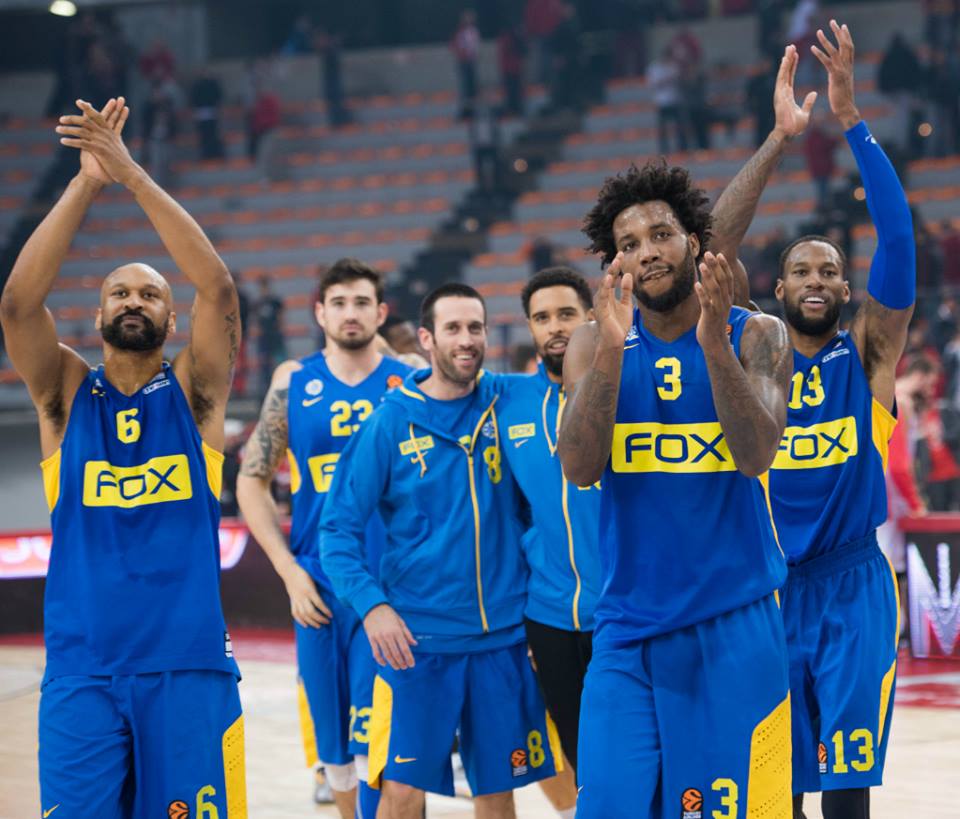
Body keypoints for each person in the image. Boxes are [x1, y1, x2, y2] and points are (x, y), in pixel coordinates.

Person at [1, 97, 246, 818]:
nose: (134, 299)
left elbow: (218, 287)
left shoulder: (197, 395)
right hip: (83, 668)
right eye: (119, 292)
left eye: (150, 293)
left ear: (171, 318)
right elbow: (17, 306)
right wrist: (87, 180)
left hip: (188, 664)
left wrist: (130, 173)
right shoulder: (64, 394)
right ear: (99, 314)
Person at [721, 23, 915, 819]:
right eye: (800, 268)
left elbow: (897, 239)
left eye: (829, 270)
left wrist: (853, 120)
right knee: (776, 790)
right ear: (777, 286)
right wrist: (778, 140)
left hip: (852, 585)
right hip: (768, 589)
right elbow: (711, 253)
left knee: (844, 788)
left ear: (843, 288)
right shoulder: (752, 351)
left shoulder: (866, 356)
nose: (814, 279)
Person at [558, 165, 794, 818]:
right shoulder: (592, 342)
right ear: (616, 263)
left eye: (661, 234)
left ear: (694, 241)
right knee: (607, 805)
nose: (647, 252)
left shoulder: (757, 334)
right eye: (629, 244)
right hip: (627, 627)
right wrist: (611, 351)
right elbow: (579, 468)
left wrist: (712, 345)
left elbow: (755, 454)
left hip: (734, 621)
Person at [320, 283, 560, 818]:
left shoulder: (506, 401)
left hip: (503, 638)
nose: (466, 339)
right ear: (426, 339)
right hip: (417, 641)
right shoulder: (389, 423)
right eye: (453, 328)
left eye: (476, 327)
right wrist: (373, 608)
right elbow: (336, 531)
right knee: (402, 792)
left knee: (497, 793)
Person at [237, 259, 409, 819]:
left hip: (387, 585)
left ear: (381, 313)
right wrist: (288, 572)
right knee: (334, 756)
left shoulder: (409, 378)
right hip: (317, 585)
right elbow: (251, 481)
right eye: (339, 303)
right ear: (319, 313)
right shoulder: (293, 381)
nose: (350, 313)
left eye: (361, 302)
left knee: (379, 746)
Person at [497, 267, 601, 817]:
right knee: (582, 762)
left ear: (591, 316)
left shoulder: (623, 389)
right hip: (550, 617)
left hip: (623, 614)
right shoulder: (509, 400)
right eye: (542, 318)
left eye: (566, 314)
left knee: (638, 755)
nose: (555, 327)